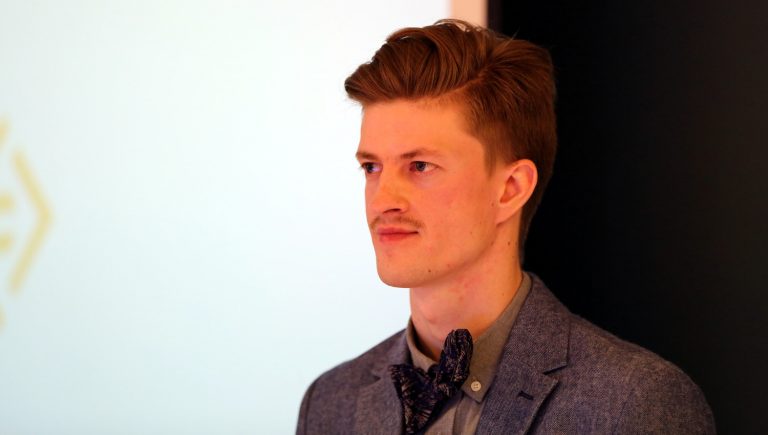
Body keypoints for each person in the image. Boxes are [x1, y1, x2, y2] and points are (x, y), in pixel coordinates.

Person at [296, 19, 715, 434]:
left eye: (420, 166)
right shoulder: (330, 403)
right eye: (371, 167)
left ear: (511, 189)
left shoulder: (632, 404)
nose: (382, 200)